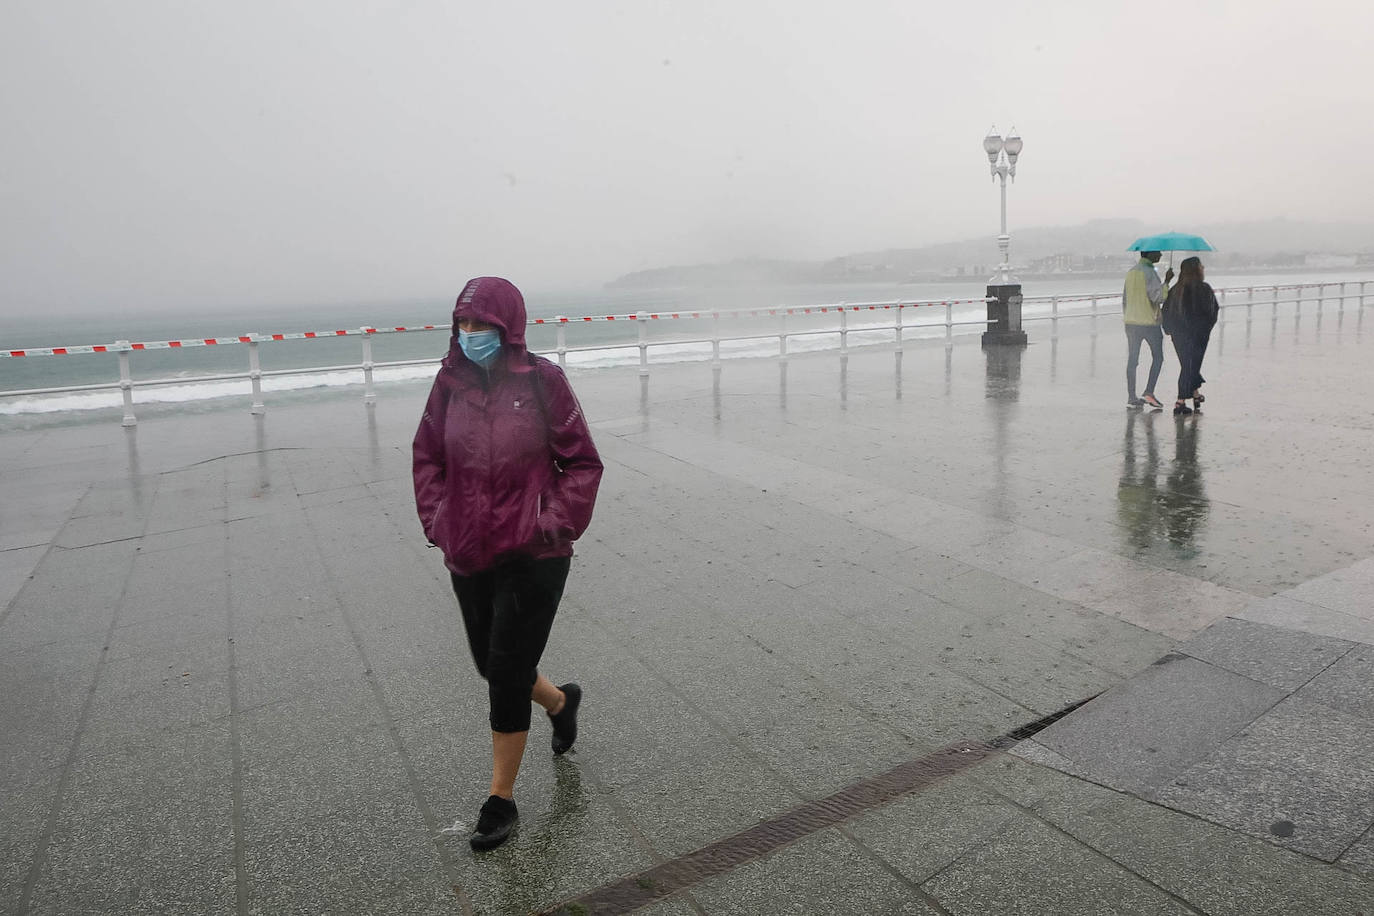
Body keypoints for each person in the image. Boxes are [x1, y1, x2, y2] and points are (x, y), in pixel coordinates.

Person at [413, 276, 603, 851]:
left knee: (504, 668)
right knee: (490, 662)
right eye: (463, 325)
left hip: (533, 553)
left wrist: (551, 522)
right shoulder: (448, 383)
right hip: (468, 548)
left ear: (509, 327)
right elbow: (427, 459)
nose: (471, 335)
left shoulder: (543, 381)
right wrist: (439, 521)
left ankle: (500, 800)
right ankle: (561, 702)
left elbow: (583, 463)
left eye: (483, 326)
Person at [1162, 256, 1219, 415]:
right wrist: (1206, 328)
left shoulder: (1175, 290)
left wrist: (1170, 330)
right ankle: (1180, 402)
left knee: (1188, 365)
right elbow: (1212, 311)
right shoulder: (1204, 289)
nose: (1203, 268)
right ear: (1196, 269)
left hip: (1179, 337)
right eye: (1201, 266)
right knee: (1190, 366)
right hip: (1198, 336)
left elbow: (1165, 312)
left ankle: (1195, 394)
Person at [1122, 250, 1174, 409]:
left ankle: (1131, 396)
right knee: (1158, 357)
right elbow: (1158, 297)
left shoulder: (1131, 273)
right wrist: (1166, 282)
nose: (1160, 253)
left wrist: (1129, 315)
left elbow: (1125, 299)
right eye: (1157, 252)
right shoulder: (1150, 272)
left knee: (1133, 359)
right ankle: (1149, 392)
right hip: (1149, 323)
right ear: (1149, 255)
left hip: (1131, 322)